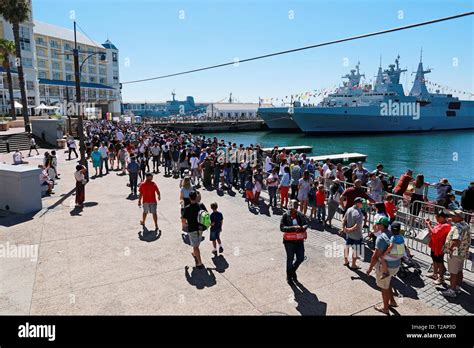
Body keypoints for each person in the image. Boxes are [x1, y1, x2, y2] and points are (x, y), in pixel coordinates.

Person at [367, 217, 402, 314]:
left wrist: (369, 269)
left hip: (387, 267)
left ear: (382, 226)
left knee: (384, 287)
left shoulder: (381, 238)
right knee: (387, 282)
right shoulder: (393, 234)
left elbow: (375, 257)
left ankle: (385, 308)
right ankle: (392, 301)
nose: (377, 226)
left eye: (378, 224)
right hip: (396, 265)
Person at [440, 209, 471, 298]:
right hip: (462, 253)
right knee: (459, 270)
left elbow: (456, 241)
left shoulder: (458, 228)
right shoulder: (465, 224)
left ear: (459, 217)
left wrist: (450, 249)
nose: (451, 217)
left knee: (453, 272)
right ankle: (457, 287)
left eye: (453, 216)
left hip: (455, 253)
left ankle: (452, 290)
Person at [280, 200, 308, 284]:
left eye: (296, 205)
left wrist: (302, 227)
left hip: (299, 240)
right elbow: (282, 228)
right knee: (290, 259)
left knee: (301, 258)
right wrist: (293, 228)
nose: (294, 207)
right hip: (289, 241)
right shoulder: (285, 215)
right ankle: (289, 276)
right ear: (289, 205)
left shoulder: (300, 214)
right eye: (293, 205)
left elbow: (306, 224)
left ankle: (292, 271)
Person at [181, 191, 207, 269]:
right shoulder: (201, 205)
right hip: (200, 228)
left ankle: (199, 263)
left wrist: (185, 226)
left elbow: (184, 221)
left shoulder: (187, 208)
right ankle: (195, 254)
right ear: (196, 197)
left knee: (196, 246)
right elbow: (207, 214)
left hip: (192, 229)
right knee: (196, 244)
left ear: (189, 198)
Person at [425, 211, 451, 285]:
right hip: (434, 246)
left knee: (440, 262)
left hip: (439, 247)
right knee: (434, 260)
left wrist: (429, 225)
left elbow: (435, 233)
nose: (436, 219)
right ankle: (435, 274)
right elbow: (433, 231)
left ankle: (441, 278)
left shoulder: (446, 226)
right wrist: (430, 226)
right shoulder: (441, 223)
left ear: (442, 217)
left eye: (437, 218)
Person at [341, 197, 364, 269]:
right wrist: (348, 230)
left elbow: (344, 220)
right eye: (361, 202)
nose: (363, 204)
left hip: (349, 235)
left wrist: (344, 228)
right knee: (356, 250)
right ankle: (353, 264)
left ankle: (346, 261)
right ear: (357, 203)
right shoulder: (359, 213)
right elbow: (357, 226)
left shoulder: (349, 209)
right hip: (357, 236)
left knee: (346, 247)